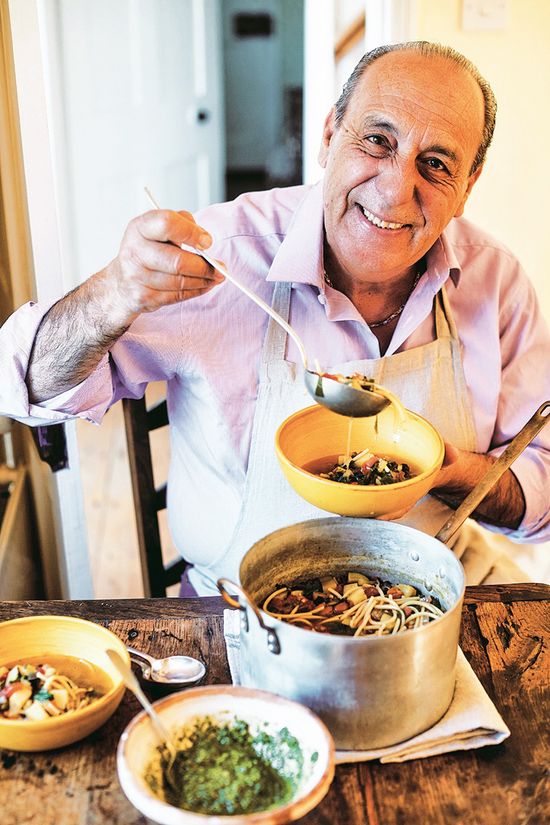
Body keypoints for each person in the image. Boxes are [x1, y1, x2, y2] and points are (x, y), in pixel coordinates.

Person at [1, 41, 549, 594]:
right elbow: (21, 383)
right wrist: (111, 295)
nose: (393, 191)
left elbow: (543, 487)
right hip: (238, 605)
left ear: (467, 186)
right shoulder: (221, 256)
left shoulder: (493, 280)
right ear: (329, 136)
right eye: (377, 141)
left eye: (435, 164)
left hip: (433, 593)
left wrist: (452, 475)